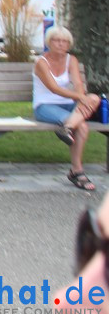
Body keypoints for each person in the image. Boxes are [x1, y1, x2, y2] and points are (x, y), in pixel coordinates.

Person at [33, 26, 99, 191]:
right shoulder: (41, 62)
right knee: (82, 126)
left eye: (64, 41)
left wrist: (82, 98)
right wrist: (80, 98)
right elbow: (53, 88)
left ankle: (67, 128)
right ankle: (77, 172)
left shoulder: (71, 60)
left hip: (68, 104)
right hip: (45, 106)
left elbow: (78, 84)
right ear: (49, 42)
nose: (61, 44)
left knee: (94, 98)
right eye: (57, 40)